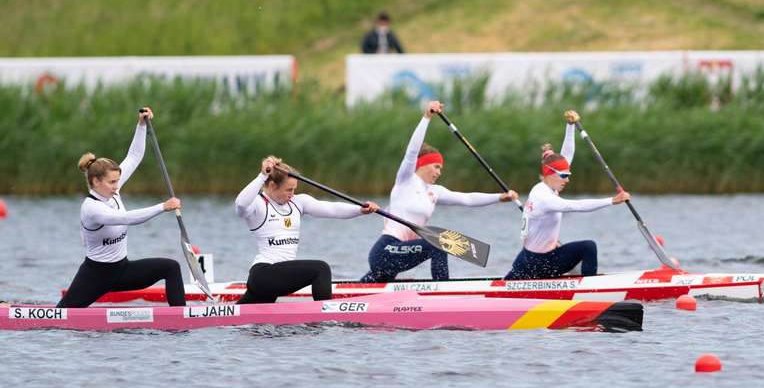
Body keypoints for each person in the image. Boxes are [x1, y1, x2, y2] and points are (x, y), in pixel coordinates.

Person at [361, 101, 518, 282]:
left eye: (441, 168)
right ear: (423, 164)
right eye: (436, 167)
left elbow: (467, 199)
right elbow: (411, 153)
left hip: (403, 250)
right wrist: (427, 117)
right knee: (439, 244)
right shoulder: (405, 180)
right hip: (386, 250)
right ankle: (442, 289)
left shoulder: (435, 192)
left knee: (368, 289)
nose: (439, 172)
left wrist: (499, 197)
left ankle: (345, 297)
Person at [57, 108, 186, 308]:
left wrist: (141, 125)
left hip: (122, 270)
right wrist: (163, 206)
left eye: (117, 180)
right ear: (95, 181)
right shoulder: (91, 208)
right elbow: (127, 218)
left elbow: (134, 156)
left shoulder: (111, 189)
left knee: (170, 267)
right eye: (112, 182)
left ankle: (181, 319)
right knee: (61, 316)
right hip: (95, 275)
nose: (117, 186)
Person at [504, 110, 630, 280]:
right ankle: (590, 289)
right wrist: (612, 201)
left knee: (505, 284)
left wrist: (570, 126)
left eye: (568, 175)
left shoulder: (548, 186)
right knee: (588, 247)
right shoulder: (544, 197)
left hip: (529, 260)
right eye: (564, 176)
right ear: (550, 174)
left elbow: (567, 155)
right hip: (539, 264)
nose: (567, 180)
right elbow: (574, 206)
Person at [235, 157, 380, 303]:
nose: (292, 194)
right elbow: (240, 205)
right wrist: (263, 175)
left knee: (237, 315)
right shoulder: (258, 205)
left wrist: (360, 210)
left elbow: (333, 209)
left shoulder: (298, 202)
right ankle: (327, 315)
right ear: (272, 186)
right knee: (320, 269)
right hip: (264, 275)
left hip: (277, 278)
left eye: (294, 189)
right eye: (288, 190)